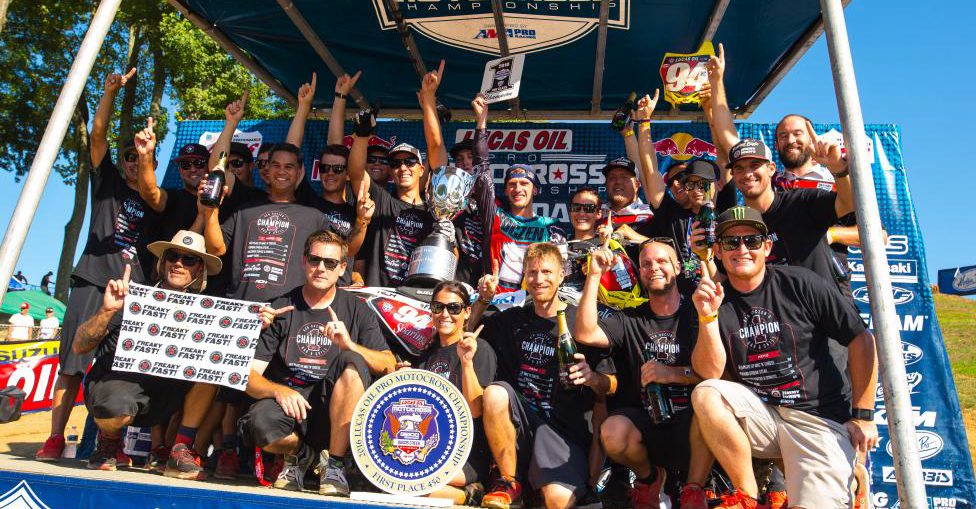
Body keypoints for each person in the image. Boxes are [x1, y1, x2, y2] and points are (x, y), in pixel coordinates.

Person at [687, 206, 878, 509]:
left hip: (815, 419)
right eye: (731, 242)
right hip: (764, 415)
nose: (741, 249)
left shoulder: (800, 283)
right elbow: (709, 373)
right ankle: (747, 495)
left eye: (751, 241)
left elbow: (861, 339)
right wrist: (707, 318)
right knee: (707, 393)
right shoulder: (715, 299)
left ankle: (851, 478)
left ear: (766, 247)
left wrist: (864, 416)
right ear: (718, 252)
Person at [37, 69, 158, 462]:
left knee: (121, 369)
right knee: (72, 365)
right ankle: (55, 437)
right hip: (93, 282)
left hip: (134, 294)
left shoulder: (160, 201)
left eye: (140, 157)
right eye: (128, 157)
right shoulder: (108, 184)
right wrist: (109, 93)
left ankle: (111, 442)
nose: (133, 162)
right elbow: (97, 136)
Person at [239, 230, 395, 496]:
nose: (321, 268)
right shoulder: (281, 308)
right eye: (315, 260)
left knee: (352, 360)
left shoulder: (357, 309)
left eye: (330, 263)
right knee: (257, 424)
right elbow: (248, 378)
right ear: (304, 261)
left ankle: (334, 465)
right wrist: (278, 390)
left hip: (336, 412)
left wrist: (349, 345)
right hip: (292, 408)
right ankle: (302, 455)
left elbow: (388, 364)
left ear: (342, 268)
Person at [473, 243, 613, 509]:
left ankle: (540, 487)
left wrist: (593, 378)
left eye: (547, 272)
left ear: (562, 275)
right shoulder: (512, 319)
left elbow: (611, 384)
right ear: (525, 275)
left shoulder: (580, 321)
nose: (539, 279)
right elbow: (467, 334)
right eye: (532, 272)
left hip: (561, 432)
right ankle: (508, 482)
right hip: (521, 425)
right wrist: (483, 301)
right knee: (495, 393)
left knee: (558, 502)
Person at [70, 230, 223, 470]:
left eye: (189, 260)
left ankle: (180, 449)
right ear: (163, 262)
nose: (178, 264)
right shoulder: (131, 295)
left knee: (214, 369)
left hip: (165, 397)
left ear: (199, 270)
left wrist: (254, 322)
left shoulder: (206, 312)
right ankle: (109, 441)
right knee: (115, 408)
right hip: (118, 385)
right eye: (172, 256)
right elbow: (79, 346)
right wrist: (107, 311)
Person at [574, 239, 702, 509]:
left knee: (712, 406)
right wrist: (594, 275)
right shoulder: (630, 318)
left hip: (695, 424)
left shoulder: (696, 313)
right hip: (650, 422)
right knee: (612, 431)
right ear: (639, 272)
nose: (653, 268)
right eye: (646, 264)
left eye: (662, 261)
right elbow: (585, 332)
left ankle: (696, 487)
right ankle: (649, 479)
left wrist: (674, 373)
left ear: (678, 267)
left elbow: (718, 374)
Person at [397, 281, 497, 505]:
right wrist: (403, 382)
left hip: (466, 453)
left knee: (409, 483)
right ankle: (465, 494)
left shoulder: (480, 349)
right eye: (438, 307)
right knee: (392, 477)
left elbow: (475, 410)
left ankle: (470, 495)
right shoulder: (426, 354)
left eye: (453, 308)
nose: (445, 314)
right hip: (429, 447)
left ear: (467, 312)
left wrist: (467, 362)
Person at [201, 142, 329, 303]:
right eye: (276, 165)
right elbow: (215, 249)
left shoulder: (315, 218)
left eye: (288, 167)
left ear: (299, 172)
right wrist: (210, 211)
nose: (281, 171)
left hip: (289, 309)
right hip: (240, 307)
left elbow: (329, 264)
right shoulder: (244, 210)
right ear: (267, 169)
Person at [418, 62, 495, 286]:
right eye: (459, 159)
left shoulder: (489, 200)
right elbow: (435, 145)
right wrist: (429, 98)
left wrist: (481, 120)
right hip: (444, 282)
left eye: (471, 157)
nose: (465, 162)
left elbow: (482, 165)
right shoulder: (446, 192)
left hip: (482, 286)